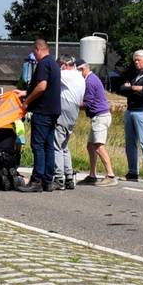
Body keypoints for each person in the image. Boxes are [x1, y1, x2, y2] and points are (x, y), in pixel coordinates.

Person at [17, 38, 61, 192]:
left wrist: (27, 101)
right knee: (49, 146)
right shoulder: (54, 64)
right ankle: (48, 181)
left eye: (34, 52)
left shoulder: (43, 64)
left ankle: (36, 181)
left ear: (38, 49)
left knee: (38, 146)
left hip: (42, 111)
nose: (33, 56)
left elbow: (42, 86)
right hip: (53, 111)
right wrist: (25, 92)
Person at [119, 50, 143, 182]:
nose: (136, 62)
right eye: (135, 60)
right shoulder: (134, 75)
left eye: (139, 59)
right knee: (130, 143)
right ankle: (132, 172)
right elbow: (121, 89)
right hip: (130, 111)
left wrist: (131, 88)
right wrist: (136, 88)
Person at [77, 59, 117, 186]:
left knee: (98, 146)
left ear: (82, 70)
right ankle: (92, 175)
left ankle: (110, 175)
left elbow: (87, 103)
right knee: (90, 146)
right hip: (99, 116)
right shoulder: (92, 78)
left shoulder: (89, 81)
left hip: (100, 116)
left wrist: (72, 104)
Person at [53, 54, 85, 190]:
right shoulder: (79, 76)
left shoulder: (66, 74)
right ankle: (69, 177)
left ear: (64, 65)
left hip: (65, 108)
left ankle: (59, 178)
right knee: (65, 146)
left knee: (57, 145)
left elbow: (51, 76)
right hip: (74, 110)